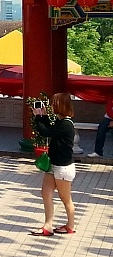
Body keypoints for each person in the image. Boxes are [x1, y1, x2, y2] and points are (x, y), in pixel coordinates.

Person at [30, 92, 76, 236]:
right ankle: (48, 225)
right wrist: (42, 116)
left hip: (63, 167)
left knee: (65, 198)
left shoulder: (66, 124)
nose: (50, 106)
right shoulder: (60, 122)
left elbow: (46, 132)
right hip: (53, 165)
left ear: (60, 106)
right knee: (45, 193)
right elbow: (49, 128)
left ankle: (70, 225)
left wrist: (38, 117)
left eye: (53, 103)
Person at [87, 94, 113, 158]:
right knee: (101, 129)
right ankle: (98, 152)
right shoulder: (111, 96)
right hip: (108, 117)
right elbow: (109, 108)